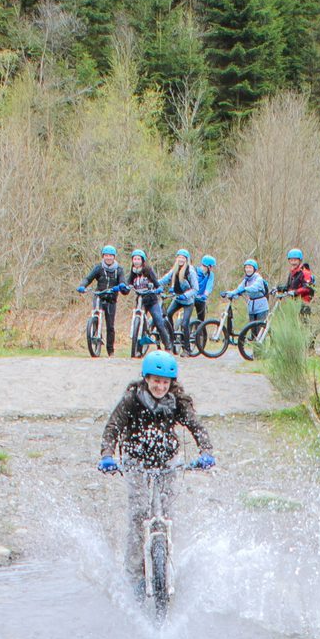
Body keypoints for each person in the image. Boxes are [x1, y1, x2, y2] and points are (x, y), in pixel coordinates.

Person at [99, 351, 216, 588]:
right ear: (146, 378)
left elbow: (197, 427)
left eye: (165, 382)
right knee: (139, 513)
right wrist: (108, 456)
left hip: (167, 460)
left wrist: (206, 452)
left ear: (171, 383)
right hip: (136, 460)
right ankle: (133, 574)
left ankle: (167, 559)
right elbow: (113, 427)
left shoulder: (178, 402)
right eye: (155, 381)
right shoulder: (132, 399)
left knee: (167, 511)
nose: (160, 386)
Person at [76, 245, 128, 355]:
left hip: (111, 299)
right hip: (99, 295)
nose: (108, 258)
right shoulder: (99, 268)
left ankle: (110, 351)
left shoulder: (119, 270)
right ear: (103, 256)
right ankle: (95, 334)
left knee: (110, 326)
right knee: (96, 315)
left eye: (110, 256)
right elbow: (88, 278)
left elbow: (123, 281)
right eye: (106, 255)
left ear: (114, 257)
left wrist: (122, 285)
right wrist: (82, 286)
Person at [125, 250, 166, 353]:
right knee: (139, 324)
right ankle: (137, 349)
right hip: (140, 301)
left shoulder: (148, 270)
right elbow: (128, 284)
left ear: (142, 260)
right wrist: (124, 287)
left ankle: (168, 345)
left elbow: (157, 283)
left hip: (151, 300)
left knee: (158, 321)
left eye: (138, 259)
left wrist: (159, 289)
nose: (136, 261)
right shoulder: (133, 272)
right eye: (134, 259)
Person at [158, 249, 199, 353]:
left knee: (185, 324)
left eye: (183, 257)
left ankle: (187, 349)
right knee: (168, 315)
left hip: (188, 301)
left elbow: (195, 288)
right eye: (179, 257)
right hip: (177, 299)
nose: (181, 259)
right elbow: (164, 280)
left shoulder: (191, 271)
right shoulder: (174, 270)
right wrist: (154, 284)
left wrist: (185, 295)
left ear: (186, 259)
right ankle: (171, 337)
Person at [221, 258, 271, 326]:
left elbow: (254, 288)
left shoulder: (259, 279)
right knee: (252, 330)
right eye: (246, 268)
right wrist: (229, 293)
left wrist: (245, 289)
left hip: (261, 307)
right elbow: (238, 289)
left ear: (254, 269)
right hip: (251, 308)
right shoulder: (246, 280)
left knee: (260, 329)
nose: (248, 270)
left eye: (250, 267)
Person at [280, 248, 315, 320]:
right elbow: (289, 287)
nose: (293, 262)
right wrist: (278, 288)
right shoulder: (292, 272)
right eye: (291, 260)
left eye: (295, 260)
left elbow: (308, 288)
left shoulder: (305, 272)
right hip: (294, 302)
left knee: (303, 324)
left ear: (300, 260)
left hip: (304, 303)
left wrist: (295, 292)